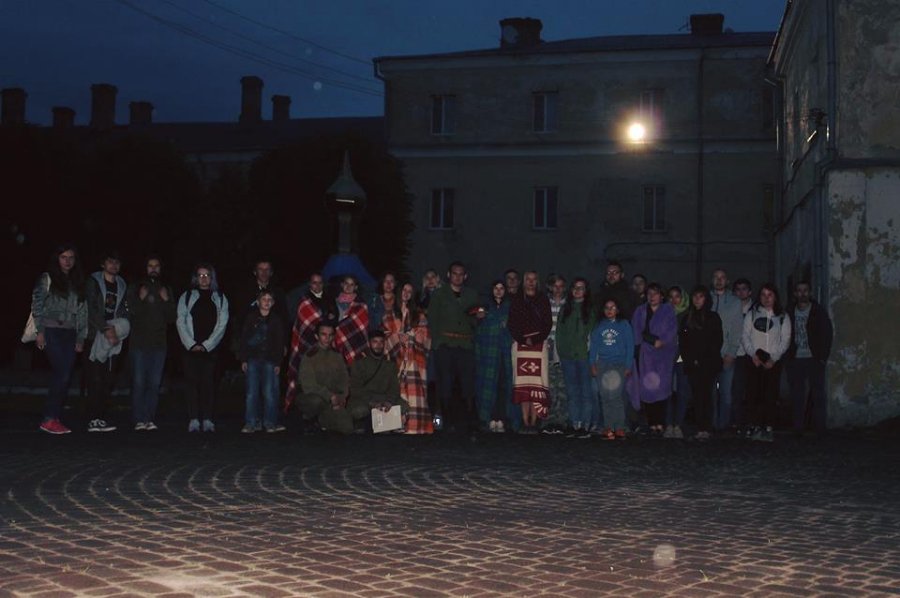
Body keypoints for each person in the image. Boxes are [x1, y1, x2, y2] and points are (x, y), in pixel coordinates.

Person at [33, 245, 88, 434]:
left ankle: (53, 417)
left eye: (71, 257)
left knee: (65, 375)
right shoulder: (47, 278)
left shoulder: (77, 281)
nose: (67, 261)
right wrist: (39, 331)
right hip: (52, 330)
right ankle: (49, 418)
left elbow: (83, 311)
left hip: (70, 332)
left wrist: (81, 337)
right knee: (62, 373)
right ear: (57, 259)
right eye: (63, 257)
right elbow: (37, 304)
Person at [427, 261, 482, 433]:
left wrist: (478, 317)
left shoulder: (472, 294)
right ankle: (447, 420)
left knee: (467, 383)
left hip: (465, 344)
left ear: (465, 276)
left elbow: (474, 320)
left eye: (461, 274)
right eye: (454, 273)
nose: (457, 277)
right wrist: (437, 343)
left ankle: (469, 420)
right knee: (445, 383)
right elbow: (433, 319)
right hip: (445, 343)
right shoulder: (439, 294)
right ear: (449, 275)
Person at [176, 263, 229, 432]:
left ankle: (207, 419)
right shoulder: (186, 296)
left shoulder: (220, 297)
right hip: (190, 348)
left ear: (212, 278)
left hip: (211, 349)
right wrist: (191, 344)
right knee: (191, 384)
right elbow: (180, 321)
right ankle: (193, 419)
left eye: (207, 275)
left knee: (209, 384)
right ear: (195, 278)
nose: (204, 278)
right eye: (200, 275)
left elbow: (222, 324)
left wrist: (207, 345)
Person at [127, 255, 176, 431]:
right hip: (139, 344)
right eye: (150, 265)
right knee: (139, 382)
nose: (153, 269)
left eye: (156, 266)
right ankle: (139, 419)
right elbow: (131, 313)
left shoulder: (166, 288)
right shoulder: (135, 287)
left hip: (159, 344)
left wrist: (166, 300)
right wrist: (140, 299)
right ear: (145, 268)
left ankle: (149, 418)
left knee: (154, 383)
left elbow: (172, 317)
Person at [85, 250, 129, 433]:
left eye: (117, 262)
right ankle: (92, 418)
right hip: (95, 333)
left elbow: (123, 310)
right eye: (110, 262)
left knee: (108, 378)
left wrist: (117, 330)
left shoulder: (122, 284)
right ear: (103, 264)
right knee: (95, 376)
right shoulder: (93, 281)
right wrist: (105, 329)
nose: (114, 266)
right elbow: (91, 308)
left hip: (114, 334)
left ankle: (100, 417)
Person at [741, 283, 791, 442]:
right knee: (753, 394)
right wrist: (752, 355)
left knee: (770, 395)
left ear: (775, 296)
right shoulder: (752, 314)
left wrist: (774, 358)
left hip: (772, 361)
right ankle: (753, 425)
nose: (766, 298)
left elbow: (785, 340)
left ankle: (768, 426)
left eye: (770, 295)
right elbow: (745, 336)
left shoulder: (782, 316)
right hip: (754, 360)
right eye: (763, 294)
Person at [628, 283, 678, 435]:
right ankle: (651, 423)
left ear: (661, 296)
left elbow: (671, 332)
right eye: (649, 293)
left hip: (663, 356)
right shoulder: (640, 311)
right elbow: (635, 331)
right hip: (645, 356)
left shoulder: (668, 311)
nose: (652, 297)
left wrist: (661, 341)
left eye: (655, 293)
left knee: (662, 389)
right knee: (648, 388)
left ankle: (660, 422)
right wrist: (645, 342)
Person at [384, 282, 433, 434]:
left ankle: (414, 426)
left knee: (414, 394)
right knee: (396, 392)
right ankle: (395, 425)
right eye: (404, 290)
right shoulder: (389, 314)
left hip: (414, 362)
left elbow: (426, 339)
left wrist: (413, 337)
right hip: (396, 360)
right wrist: (397, 338)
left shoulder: (419, 315)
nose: (406, 293)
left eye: (410, 291)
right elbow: (383, 337)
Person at [785, 281, 833, 435]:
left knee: (818, 393)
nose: (802, 293)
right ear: (795, 294)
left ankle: (819, 428)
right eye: (799, 290)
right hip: (795, 358)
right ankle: (798, 426)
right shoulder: (789, 312)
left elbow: (827, 334)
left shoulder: (818, 311)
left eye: (805, 290)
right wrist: (787, 357)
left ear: (810, 292)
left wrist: (822, 357)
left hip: (814, 358)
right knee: (797, 394)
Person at [508, 270, 553, 433]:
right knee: (523, 385)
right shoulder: (517, 300)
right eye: (528, 279)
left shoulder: (543, 299)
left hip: (539, 345)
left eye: (534, 279)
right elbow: (512, 323)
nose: (531, 282)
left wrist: (535, 339)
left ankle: (534, 422)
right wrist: (522, 339)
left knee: (536, 385)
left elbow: (547, 323)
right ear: (524, 281)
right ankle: (525, 421)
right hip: (520, 346)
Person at [284, 272, 335, 412]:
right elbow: (303, 324)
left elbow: (333, 319)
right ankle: (305, 411)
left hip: (326, 345)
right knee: (307, 378)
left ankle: (324, 410)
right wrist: (325, 319)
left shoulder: (329, 299)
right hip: (307, 346)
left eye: (320, 282)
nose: (317, 285)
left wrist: (330, 319)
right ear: (309, 284)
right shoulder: (304, 301)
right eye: (314, 282)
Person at [678, 286, 724, 440]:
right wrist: (691, 359)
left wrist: (703, 358)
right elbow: (683, 343)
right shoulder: (687, 318)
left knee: (707, 396)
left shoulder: (713, 317)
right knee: (697, 396)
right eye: (695, 297)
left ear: (706, 299)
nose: (697, 300)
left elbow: (717, 341)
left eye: (701, 296)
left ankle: (707, 427)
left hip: (709, 364)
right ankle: (700, 427)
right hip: (692, 365)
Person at [238, 289, 286, 433]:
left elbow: (279, 342)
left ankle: (270, 422)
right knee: (251, 393)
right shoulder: (251, 318)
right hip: (253, 359)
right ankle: (251, 422)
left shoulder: (276, 320)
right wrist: (244, 359)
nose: (266, 302)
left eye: (269, 300)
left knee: (270, 393)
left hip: (270, 360)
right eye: (264, 299)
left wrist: (278, 362)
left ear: (273, 303)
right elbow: (244, 339)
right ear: (258, 302)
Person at [556, 278, 597, 438]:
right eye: (575, 287)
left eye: (581, 288)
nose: (578, 290)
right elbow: (559, 332)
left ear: (586, 291)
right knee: (572, 392)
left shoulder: (590, 310)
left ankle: (585, 425)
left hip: (584, 357)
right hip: (567, 357)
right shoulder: (565, 309)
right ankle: (575, 423)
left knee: (586, 391)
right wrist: (561, 352)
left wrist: (591, 355)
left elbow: (593, 334)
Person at [590, 298, 633, 440]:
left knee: (615, 396)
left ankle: (619, 427)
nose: (609, 310)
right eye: (607, 308)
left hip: (618, 364)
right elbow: (594, 346)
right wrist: (592, 364)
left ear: (618, 310)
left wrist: (628, 365)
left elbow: (630, 345)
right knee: (605, 396)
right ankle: (608, 427)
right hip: (603, 364)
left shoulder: (624, 324)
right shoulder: (599, 325)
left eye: (613, 307)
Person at [474, 280, 514, 433]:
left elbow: (514, 327)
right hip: (488, 351)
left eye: (501, 288)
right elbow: (477, 328)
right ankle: (487, 418)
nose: (498, 291)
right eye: (496, 288)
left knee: (504, 385)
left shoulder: (510, 307)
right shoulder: (484, 307)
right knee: (487, 385)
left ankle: (503, 418)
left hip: (505, 351)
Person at [298, 322, 352, 434]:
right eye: (323, 334)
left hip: (334, 399)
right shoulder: (309, 357)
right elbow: (309, 386)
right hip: (315, 397)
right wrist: (330, 396)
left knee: (347, 427)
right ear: (316, 336)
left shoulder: (337, 355)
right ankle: (310, 418)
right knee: (315, 402)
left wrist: (342, 397)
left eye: (330, 335)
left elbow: (344, 379)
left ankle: (324, 420)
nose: (327, 338)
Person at [349, 330, 407, 432]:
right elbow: (355, 389)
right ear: (369, 344)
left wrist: (389, 401)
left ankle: (389, 426)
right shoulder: (359, 363)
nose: (378, 345)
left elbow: (394, 388)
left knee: (404, 406)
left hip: (383, 397)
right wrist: (372, 403)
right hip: (365, 399)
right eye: (375, 342)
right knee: (359, 411)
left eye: (381, 342)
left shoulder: (390, 364)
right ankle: (364, 426)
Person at [710, 268, 743, 432]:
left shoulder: (735, 302)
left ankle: (723, 426)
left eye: (722, 277)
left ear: (727, 280)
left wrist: (731, 352)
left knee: (726, 393)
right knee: (710, 394)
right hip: (708, 355)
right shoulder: (705, 298)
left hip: (726, 354)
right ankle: (711, 424)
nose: (719, 280)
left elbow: (737, 329)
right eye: (716, 277)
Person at [543, 274, 568, 434]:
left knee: (563, 386)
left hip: (564, 348)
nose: (558, 289)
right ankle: (549, 420)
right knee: (549, 385)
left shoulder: (569, 304)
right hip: (548, 348)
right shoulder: (544, 303)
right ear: (550, 287)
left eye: (561, 286)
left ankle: (562, 420)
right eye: (555, 286)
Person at [665, 285, 691, 439]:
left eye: (677, 296)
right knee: (666, 392)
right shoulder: (663, 314)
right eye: (671, 296)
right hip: (666, 357)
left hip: (683, 357)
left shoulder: (689, 315)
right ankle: (668, 424)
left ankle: (678, 425)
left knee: (682, 391)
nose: (674, 300)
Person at [731, 278, 754, 431]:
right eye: (738, 289)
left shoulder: (756, 309)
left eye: (744, 289)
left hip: (752, 355)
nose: (741, 292)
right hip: (735, 353)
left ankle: (751, 421)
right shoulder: (730, 309)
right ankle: (737, 421)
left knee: (752, 389)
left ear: (750, 292)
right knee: (736, 390)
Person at [333, 275, 369, 366]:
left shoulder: (361, 305)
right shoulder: (333, 302)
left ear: (356, 287)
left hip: (355, 342)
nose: (348, 287)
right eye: (346, 283)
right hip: (337, 340)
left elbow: (363, 326)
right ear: (342, 284)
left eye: (351, 284)